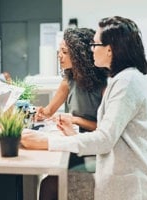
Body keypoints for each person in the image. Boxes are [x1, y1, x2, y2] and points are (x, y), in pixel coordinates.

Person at [21, 16, 147, 200]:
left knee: (51, 185)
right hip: (119, 174)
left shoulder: (127, 81)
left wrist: (46, 142)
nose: (91, 49)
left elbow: (105, 139)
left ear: (109, 50)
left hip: (130, 185)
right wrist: (73, 135)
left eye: (95, 44)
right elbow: (110, 135)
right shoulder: (123, 79)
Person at [34, 27, 108, 200]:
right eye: (59, 51)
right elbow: (47, 111)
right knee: (48, 177)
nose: (59, 55)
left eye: (65, 52)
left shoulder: (104, 84)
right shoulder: (68, 80)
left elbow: (106, 130)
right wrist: (37, 112)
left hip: (94, 149)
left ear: (80, 55)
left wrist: (75, 119)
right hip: (74, 142)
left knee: (48, 185)